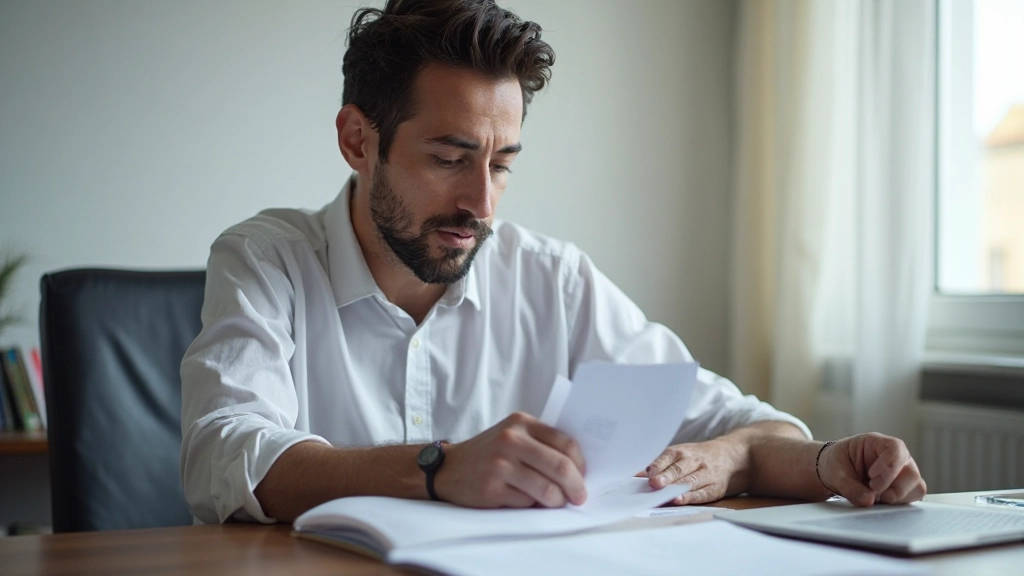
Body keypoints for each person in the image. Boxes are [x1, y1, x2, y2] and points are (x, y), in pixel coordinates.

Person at [179, 0, 926, 525]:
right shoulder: (265, 258)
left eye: (502, 164)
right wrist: (438, 469)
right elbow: (223, 454)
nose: (483, 203)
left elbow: (750, 427)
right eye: (449, 157)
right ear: (356, 140)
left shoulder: (552, 278)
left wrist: (816, 461)